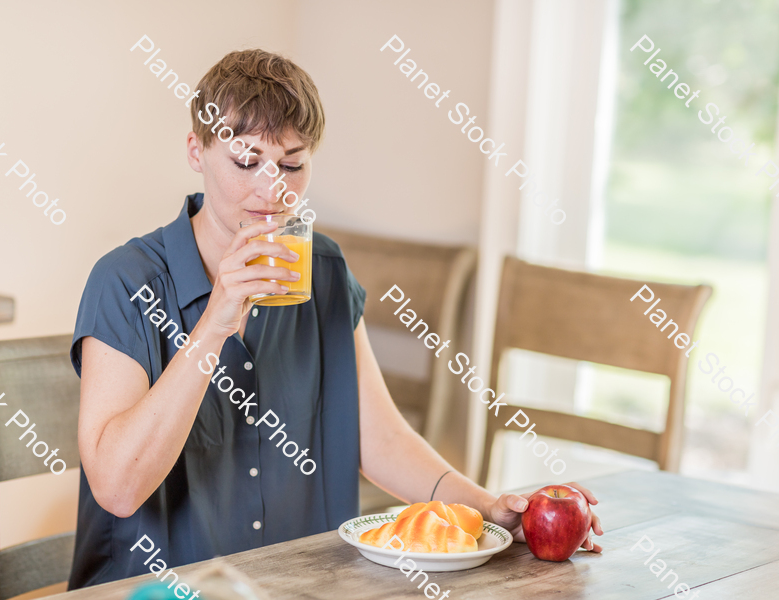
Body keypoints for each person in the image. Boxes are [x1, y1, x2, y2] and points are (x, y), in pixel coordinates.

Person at [67, 48, 602, 589]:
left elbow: (381, 440)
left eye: (293, 164)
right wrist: (214, 323)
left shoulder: (322, 272)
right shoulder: (124, 283)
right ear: (196, 150)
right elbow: (117, 487)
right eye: (247, 161)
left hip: (298, 587)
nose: (273, 189)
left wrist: (489, 509)